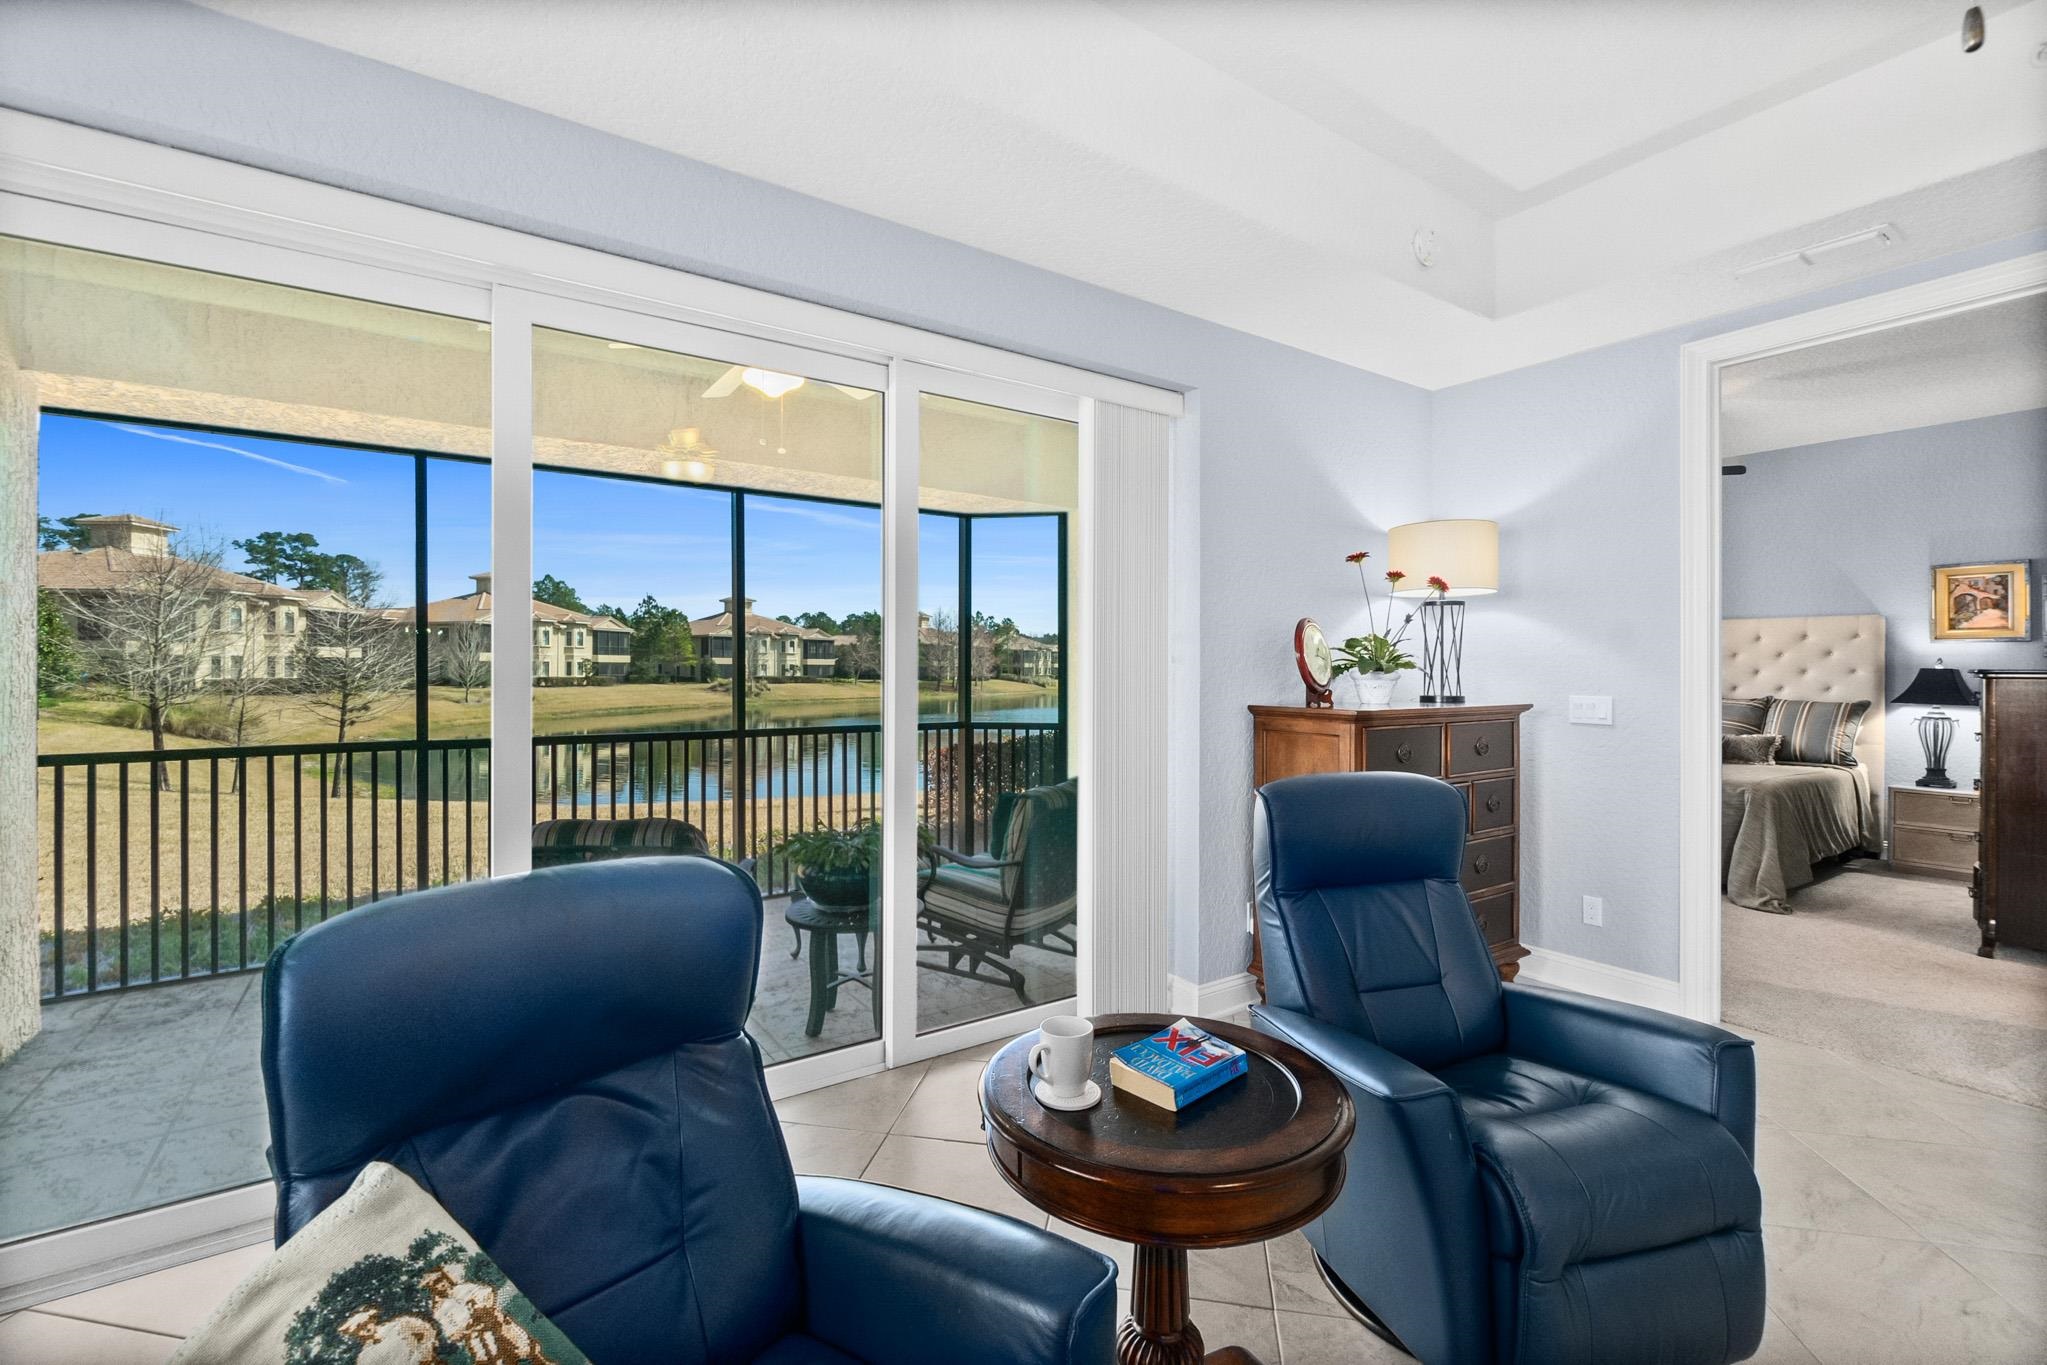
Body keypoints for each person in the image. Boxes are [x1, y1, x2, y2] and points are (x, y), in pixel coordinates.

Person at [423, 1262, 554, 1365]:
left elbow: (489, 1293)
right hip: (476, 1336)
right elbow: (452, 1333)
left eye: (441, 1280)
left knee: (522, 1343)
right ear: (432, 1288)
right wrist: (466, 1328)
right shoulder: (440, 1310)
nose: (441, 1284)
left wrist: (481, 1306)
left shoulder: (466, 1288)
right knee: (491, 1356)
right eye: (436, 1284)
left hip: (497, 1323)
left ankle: (541, 1361)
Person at [337, 1307, 443, 1365]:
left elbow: (428, 1330)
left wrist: (425, 1353)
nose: (366, 1328)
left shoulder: (400, 1325)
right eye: (359, 1329)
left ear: (373, 1319)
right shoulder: (365, 1358)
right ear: (356, 1334)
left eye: (366, 1323)